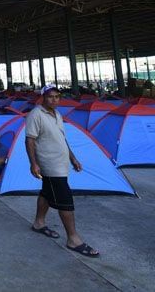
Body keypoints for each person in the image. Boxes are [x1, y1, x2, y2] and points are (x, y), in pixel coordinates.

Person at [26, 85, 99, 258]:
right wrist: (33, 164)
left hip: (61, 162)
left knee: (46, 192)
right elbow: (29, 140)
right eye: (51, 97)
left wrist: (72, 158)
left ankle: (39, 222)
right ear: (43, 97)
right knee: (65, 199)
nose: (54, 100)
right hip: (50, 164)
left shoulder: (57, 114)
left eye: (57, 97)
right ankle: (73, 239)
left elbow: (62, 139)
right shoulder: (36, 115)